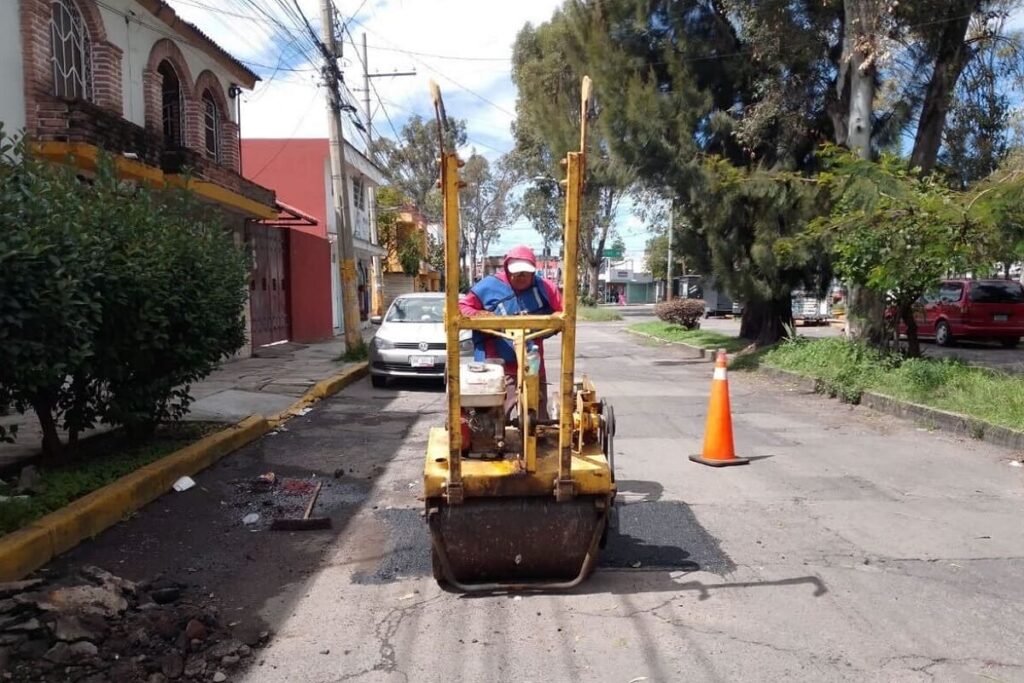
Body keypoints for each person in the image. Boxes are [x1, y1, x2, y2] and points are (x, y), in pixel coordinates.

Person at [459, 245, 563, 418]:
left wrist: (552, 323)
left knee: (538, 418)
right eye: (516, 272)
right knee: (492, 418)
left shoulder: (545, 287)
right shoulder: (489, 286)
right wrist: (483, 316)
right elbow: (462, 307)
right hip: (496, 362)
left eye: (525, 272)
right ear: (507, 268)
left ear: (533, 271)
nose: (520, 276)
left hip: (532, 362)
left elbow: (564, 312)